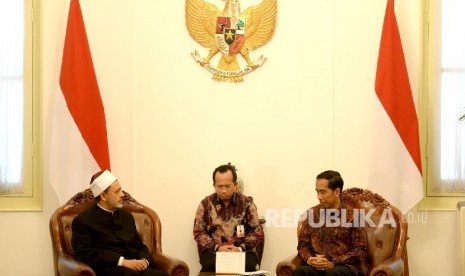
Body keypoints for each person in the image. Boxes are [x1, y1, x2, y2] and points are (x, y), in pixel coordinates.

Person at [71, 170, 168, 276]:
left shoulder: (126, 216)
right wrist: (122, 262)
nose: (122, 195)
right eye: (117, 192)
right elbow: (85, 254)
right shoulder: (83, 221)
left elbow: (139, 246)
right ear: (103, 196)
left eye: (120, 190)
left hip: (136, 268)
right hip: (109, 269)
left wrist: (145, 261)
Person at [293, 170, 368, 276]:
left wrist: (334, 262)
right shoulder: (312, 214)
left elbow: (360, 250)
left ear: (337, 192)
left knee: (334, 273)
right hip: (317, 266)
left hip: (343, 267)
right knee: (300, 272)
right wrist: (309, 259)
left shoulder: (354, 216)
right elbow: (302, 245)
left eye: (323, 192)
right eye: (317, 192)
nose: (319, 197)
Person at [193, 163, 264, 272]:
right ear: (214, 185)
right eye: (220, 186)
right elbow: (199, 232)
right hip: (215, 253)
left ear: (235, 185)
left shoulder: (247, 204)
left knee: (250, 263)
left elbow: (256, 231)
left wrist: (240, 248)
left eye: (227, 186)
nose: (224, 190)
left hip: (241, 251)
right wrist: (217, 248)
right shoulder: (206, 204)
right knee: (208, 263)